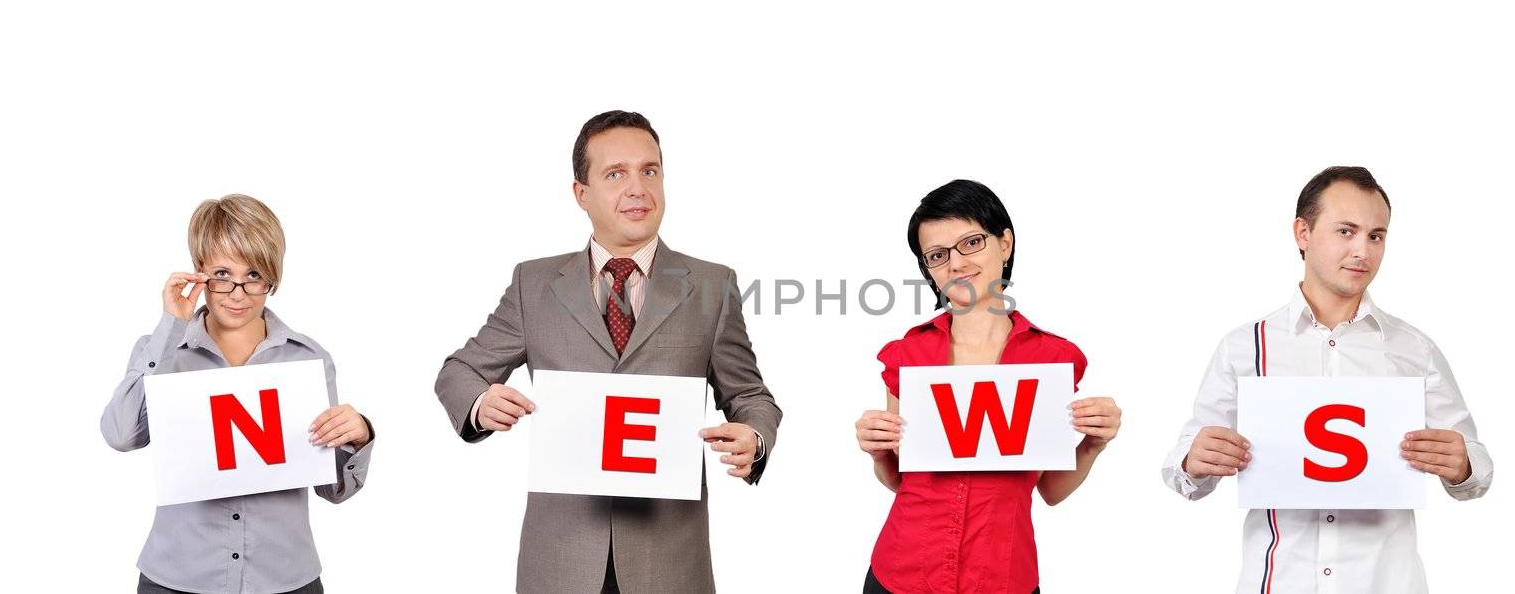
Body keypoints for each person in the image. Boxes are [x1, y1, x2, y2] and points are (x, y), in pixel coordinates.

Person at [433, 110, 783, 593]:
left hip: (669, 563)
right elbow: (460, 370)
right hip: (561, 559)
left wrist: (754, 436)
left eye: (650, 171)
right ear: (582, 193)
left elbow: (751, 396)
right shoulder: (533, 285)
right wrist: (480, 402)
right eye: (615, 174)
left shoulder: (711, 285)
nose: (638, 188)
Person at [1160, 166, 1494, 593]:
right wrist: (1195, 459)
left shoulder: (1413, 349)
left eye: (1376, 236)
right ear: (1303, 233)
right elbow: (1182, 474)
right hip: (1279, 583)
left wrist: (1462, 464)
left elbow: (1478, 471)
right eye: (1346, 231)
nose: (1363, 251)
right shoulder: (1245, 347)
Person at [854, 180, 1122, 593]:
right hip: (902, 574)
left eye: (971, 243)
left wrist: (1093, 445)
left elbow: (1048, 490)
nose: (956, 264)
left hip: (1002, 576)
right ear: (928, 268)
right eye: (938, 255)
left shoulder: (1053, 359)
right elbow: (899, 480)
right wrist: (877, 450)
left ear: (1005, 243)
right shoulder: (909, 355)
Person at [101, 194, 374, 594]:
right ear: (198, 273)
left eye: (254, 276)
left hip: (285, 579)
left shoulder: (309, 359)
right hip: (178, 578)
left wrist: (357, 437)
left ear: (272, 278)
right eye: (222, 274)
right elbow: (122, 434)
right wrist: (169, 328)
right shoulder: (158, 350)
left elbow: (333, 489)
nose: (237, 292)